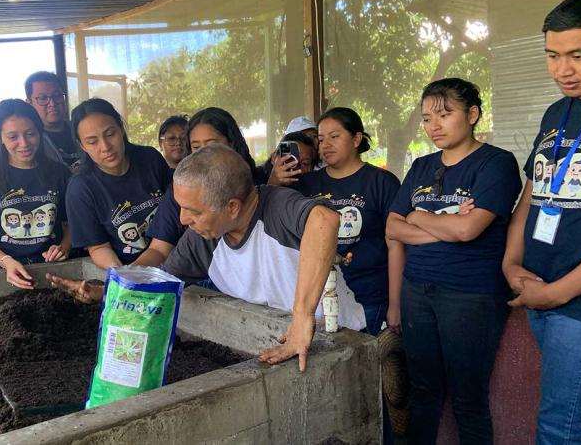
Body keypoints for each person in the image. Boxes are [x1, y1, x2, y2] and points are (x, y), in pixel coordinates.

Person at [51, 144, 366, 372]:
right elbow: (162, 279)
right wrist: (106, 288)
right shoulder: (204, 238)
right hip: (280, 344)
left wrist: (301, 318)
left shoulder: (276, 208)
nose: (184, 220)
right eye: (181, 208)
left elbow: (325, 221)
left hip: (339, 341)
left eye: (194, 211)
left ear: (231, 207)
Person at [502, 0, 581, 444]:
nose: (562, 70)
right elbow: (534, 192)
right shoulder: (558, 111)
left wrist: (558, 293)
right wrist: (511, 263)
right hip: (539, 289)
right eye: (552, 55)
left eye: (578, 55)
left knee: (560, 428)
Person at [386, 78, 521, 445]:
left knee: (468, 400)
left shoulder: (496, 163)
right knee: (424, 392)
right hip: (417, 290)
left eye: (444, 115)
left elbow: (468, 231)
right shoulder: (421, 166)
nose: (434, 126)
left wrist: (420, 217)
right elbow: (393, 227)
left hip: (470, 295)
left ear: (473, 114)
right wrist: (447, 224)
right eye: (427, 118)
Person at [295, 107, 403, 337]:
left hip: (369, 297)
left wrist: (396, 304)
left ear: (356, 139)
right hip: (319, 297)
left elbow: (398, 244)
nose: (325, 145)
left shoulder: (381, 182)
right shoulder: (307, 184)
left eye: (335, 137)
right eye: (321, 139)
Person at [0, 100, 73, 290]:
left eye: (30, 134)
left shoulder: (59, 173)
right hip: (1, 270)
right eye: (13, 137)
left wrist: (65, 246)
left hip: (51, 267)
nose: (24, 143)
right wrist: (6, 261)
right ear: (0, 138)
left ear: (39, 132)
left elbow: (70, 224)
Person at [133, 107, 264, 267]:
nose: (204, 153)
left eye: (212, 145)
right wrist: (127, 277)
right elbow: (160, 250)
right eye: (196, 147)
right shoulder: (179, 192)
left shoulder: (256, 188)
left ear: (231, 143)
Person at [65, 98, 171, 268]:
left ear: (121, 128)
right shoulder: (80, 188)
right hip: (129, 266)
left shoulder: (150, 159)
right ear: (82, 146)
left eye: (110, 134)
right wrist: (121, 274)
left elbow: (177, 209)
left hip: (175, 256)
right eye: (92, 142)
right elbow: (98, 246)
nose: (105, 146)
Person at [24, 71, 81, 170]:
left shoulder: (80, 128)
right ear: (29, 103)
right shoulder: (28, 142)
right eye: (43, 98)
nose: (52, 104)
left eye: (57, 96)